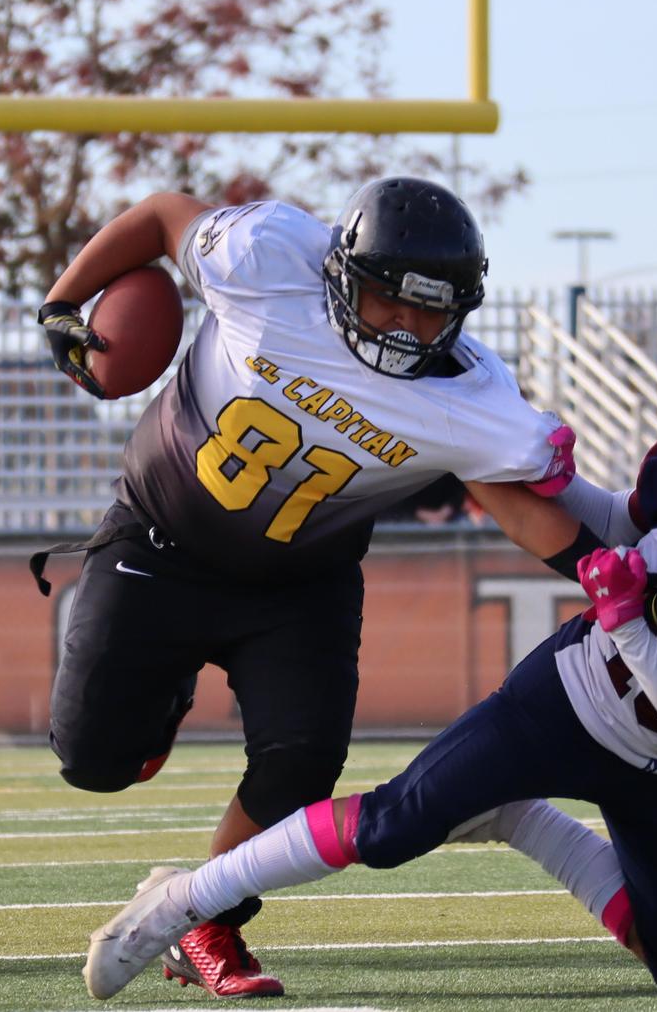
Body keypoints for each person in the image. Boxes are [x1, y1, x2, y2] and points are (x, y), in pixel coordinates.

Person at [80, 422, 657, 1000]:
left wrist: (629, 622)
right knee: (393, 826)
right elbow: (618, 522)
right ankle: (183, 901)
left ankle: (517, 817)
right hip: (564, 702)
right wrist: (562, 482)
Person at [32, 178, 578, 997]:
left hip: (300, 586)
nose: (406, 325)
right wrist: (63, 301)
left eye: (431, 310)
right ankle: (167, 685)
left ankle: (201, 917)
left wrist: (623, 582)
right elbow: (160, 214)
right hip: (162, 539)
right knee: (95, 763)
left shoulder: (469, 394)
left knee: (302, 766)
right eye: (388, 299)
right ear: (338, 273)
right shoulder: (265, 261)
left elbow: (539, 518)